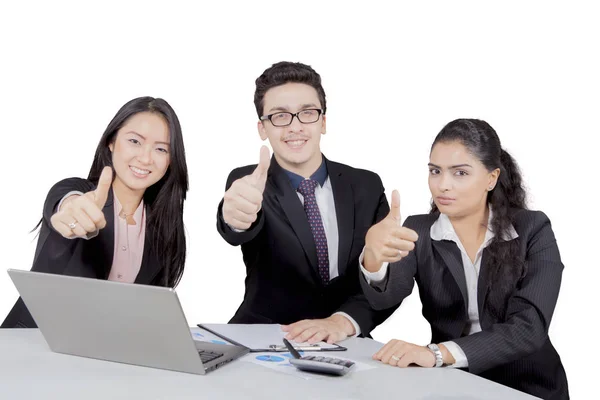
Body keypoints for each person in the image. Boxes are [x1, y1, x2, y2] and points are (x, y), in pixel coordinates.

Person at [360, 118, 569, 399]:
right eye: (435, 171)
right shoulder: (419, 229)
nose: (442, 185)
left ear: (491, 178)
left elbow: (528, 329)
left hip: (526, 384)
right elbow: (385, 299)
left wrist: (436, 353)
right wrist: (373, 255)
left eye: (460, 173)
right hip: (452, 384)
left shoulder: (532, 229)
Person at [216, 61, 396, 343]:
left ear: (323, 122)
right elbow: (239, 225)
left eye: (307, 113)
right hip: (265, 338)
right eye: (279, 116)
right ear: (263, 128)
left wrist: (343, 321)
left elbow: (387, 283)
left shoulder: (366, 186)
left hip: (345, 342)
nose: (295, 127)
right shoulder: (249, 182)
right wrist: (234, 219)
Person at [2, 96, 189, 328]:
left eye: (161, 149)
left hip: (98, 355)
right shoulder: (79, 192)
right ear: (111, 142)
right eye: (134, 141)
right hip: (31, 342)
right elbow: (66, 201)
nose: (145, 158)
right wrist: (72, 211)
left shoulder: (164, 227)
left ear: (171, 160)